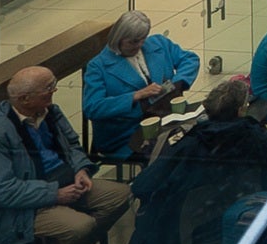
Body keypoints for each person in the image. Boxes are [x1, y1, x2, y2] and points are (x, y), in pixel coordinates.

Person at [0, 67, 128, 244]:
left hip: (65, 182)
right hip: (23, 207)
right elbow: (0, 191)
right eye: (48, 89)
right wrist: (54, 195)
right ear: (25, 99)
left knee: (120, 196)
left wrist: (81, 170)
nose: (55, 91)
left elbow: (72, 144)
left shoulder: (49, 111)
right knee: (80, 226)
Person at [127, 78, 267, 244]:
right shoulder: (255, 136)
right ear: (241, 110)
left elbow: (142, 186)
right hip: (234, 213)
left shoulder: (190, 145)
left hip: (184, 230)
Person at [82, 9, 198, 162]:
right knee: (173, 152)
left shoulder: (158, 43)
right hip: (128, 133)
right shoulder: (98, 67)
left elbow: (190, 60)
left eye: (143, 39)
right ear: (118, 39)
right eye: (133, 41)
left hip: (167, 117)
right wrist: (135, 96)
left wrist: (177, 83)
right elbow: (92, 107)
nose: (140, 45)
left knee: (200, 135)